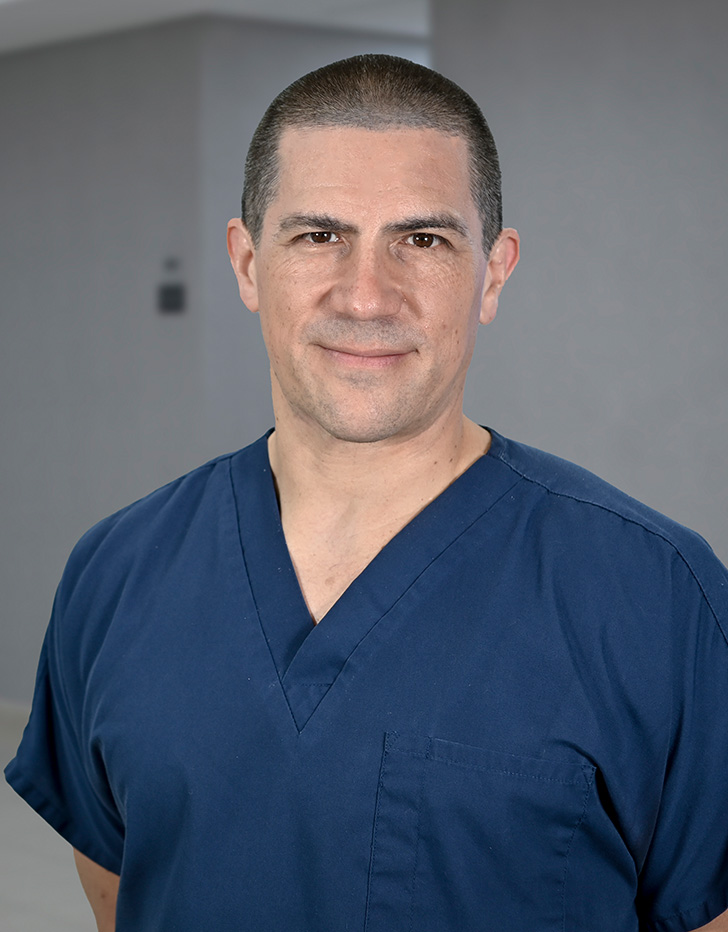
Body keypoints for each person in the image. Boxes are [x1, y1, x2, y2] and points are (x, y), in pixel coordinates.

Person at [5, 54, 728, 932]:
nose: (366, 296)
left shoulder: (656, 596)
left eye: (422, 241)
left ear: (494, 273)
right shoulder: (116, 573)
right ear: (246, 263)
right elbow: (121, 897)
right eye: (319, 236)